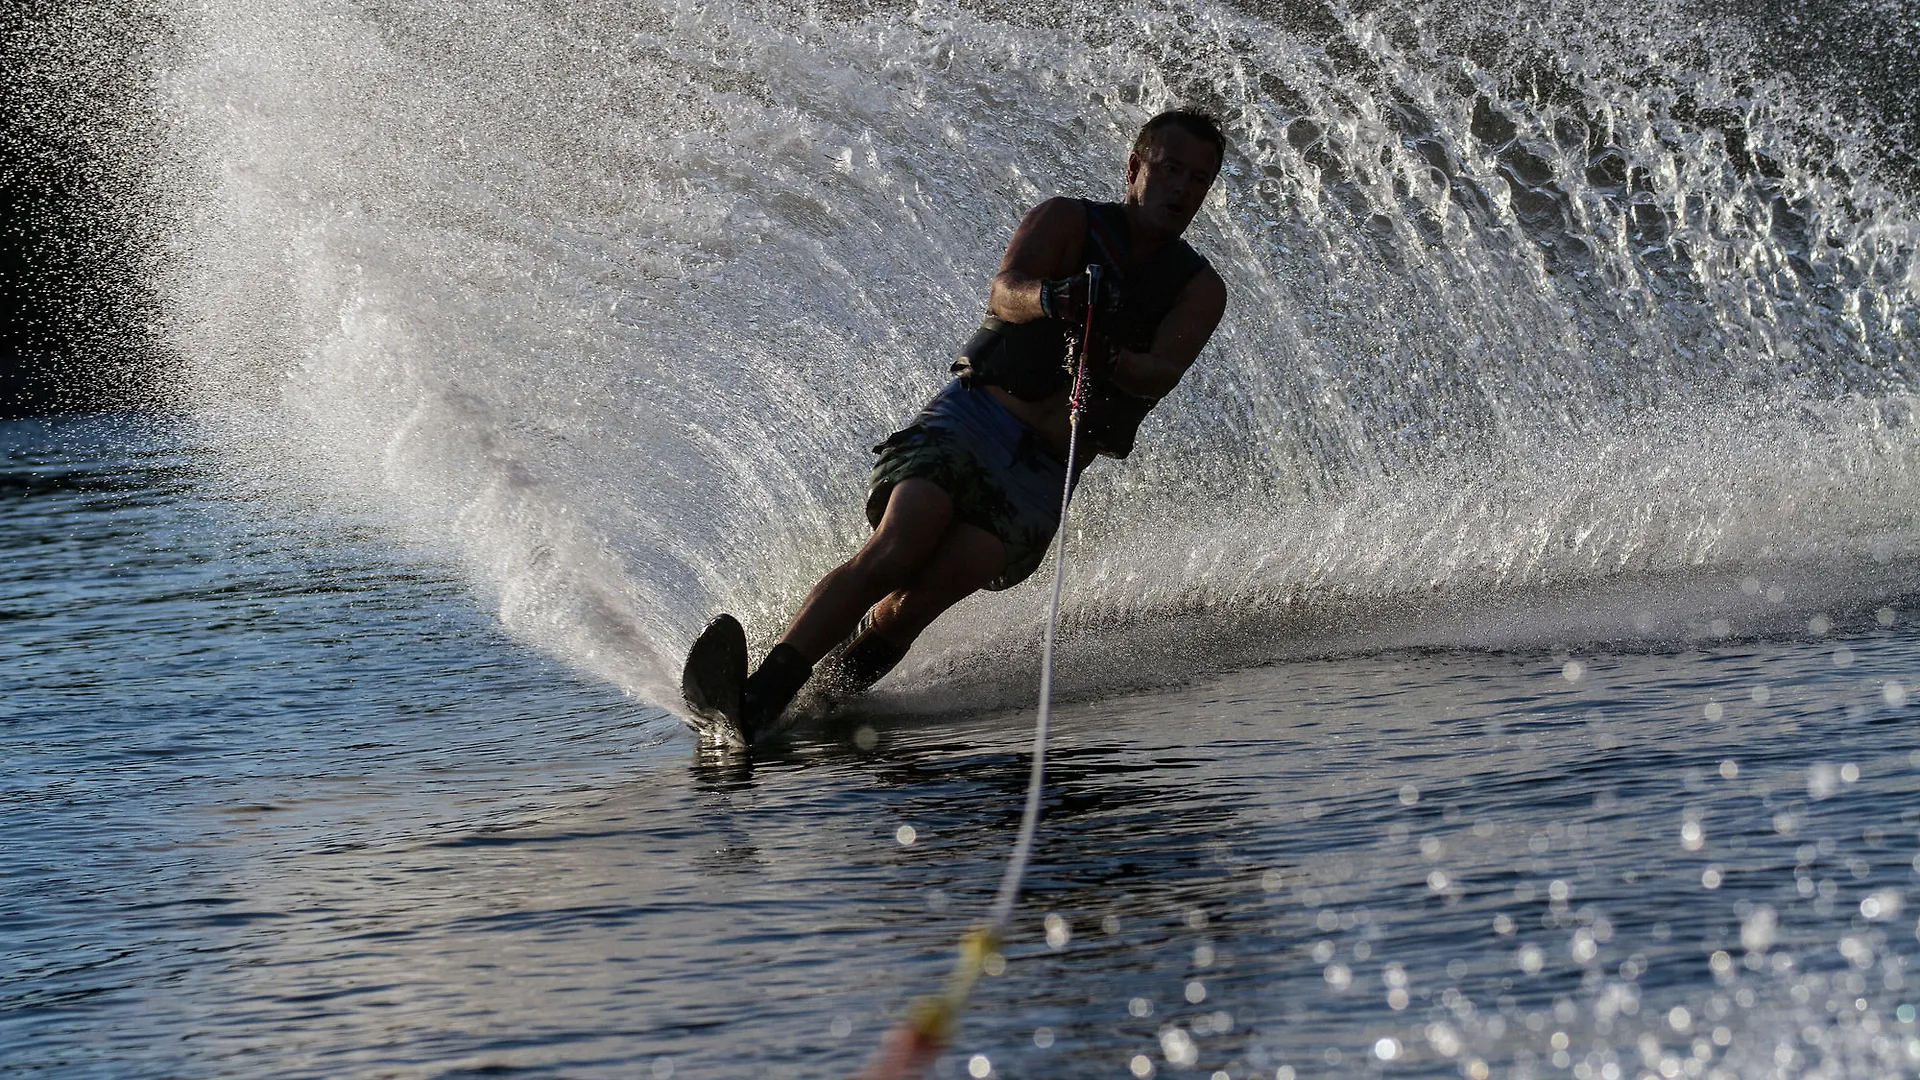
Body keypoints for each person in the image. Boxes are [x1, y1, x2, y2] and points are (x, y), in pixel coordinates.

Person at [733, 109, 1230, 741]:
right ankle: (759, 698)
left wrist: (1108, 358)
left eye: (1199, 179)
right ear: (1135, 168)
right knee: (898, 549)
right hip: (975, 419)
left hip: (1044, 473)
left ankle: (822, 704)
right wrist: (1054, 299)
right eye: (1170, 170)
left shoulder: (1200, 289)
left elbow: (1159, 372)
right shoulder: (1067, 222)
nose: (1183, 189)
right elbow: (1006, 291)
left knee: (917, 604)